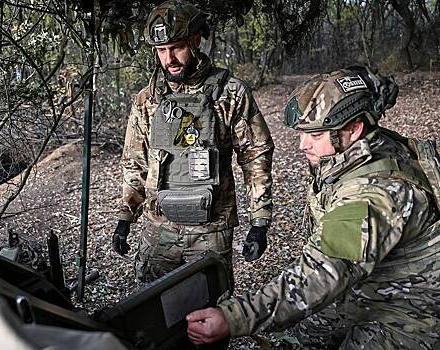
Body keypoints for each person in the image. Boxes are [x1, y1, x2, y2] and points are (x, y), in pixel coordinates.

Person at [186, 66, 440, 349]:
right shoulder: (369, 147)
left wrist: (233, 318)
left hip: (413, 311)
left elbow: (321, 274)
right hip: (376, 284)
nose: (302, 145)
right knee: (304, 333)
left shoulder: (374, 194)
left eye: (316, 135)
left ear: (353, 129)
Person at [111, 0, 274, 284]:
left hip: (211, 228)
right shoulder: (147, 99)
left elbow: (255, 154)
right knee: (153, 308)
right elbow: (135, 161)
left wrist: (259, 221)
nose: (169, 58)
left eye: (176, 48)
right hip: (158, 228)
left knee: (210, 309)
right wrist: (126, 216)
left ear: (196, 41)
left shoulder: (230, 93)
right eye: (161, 51)